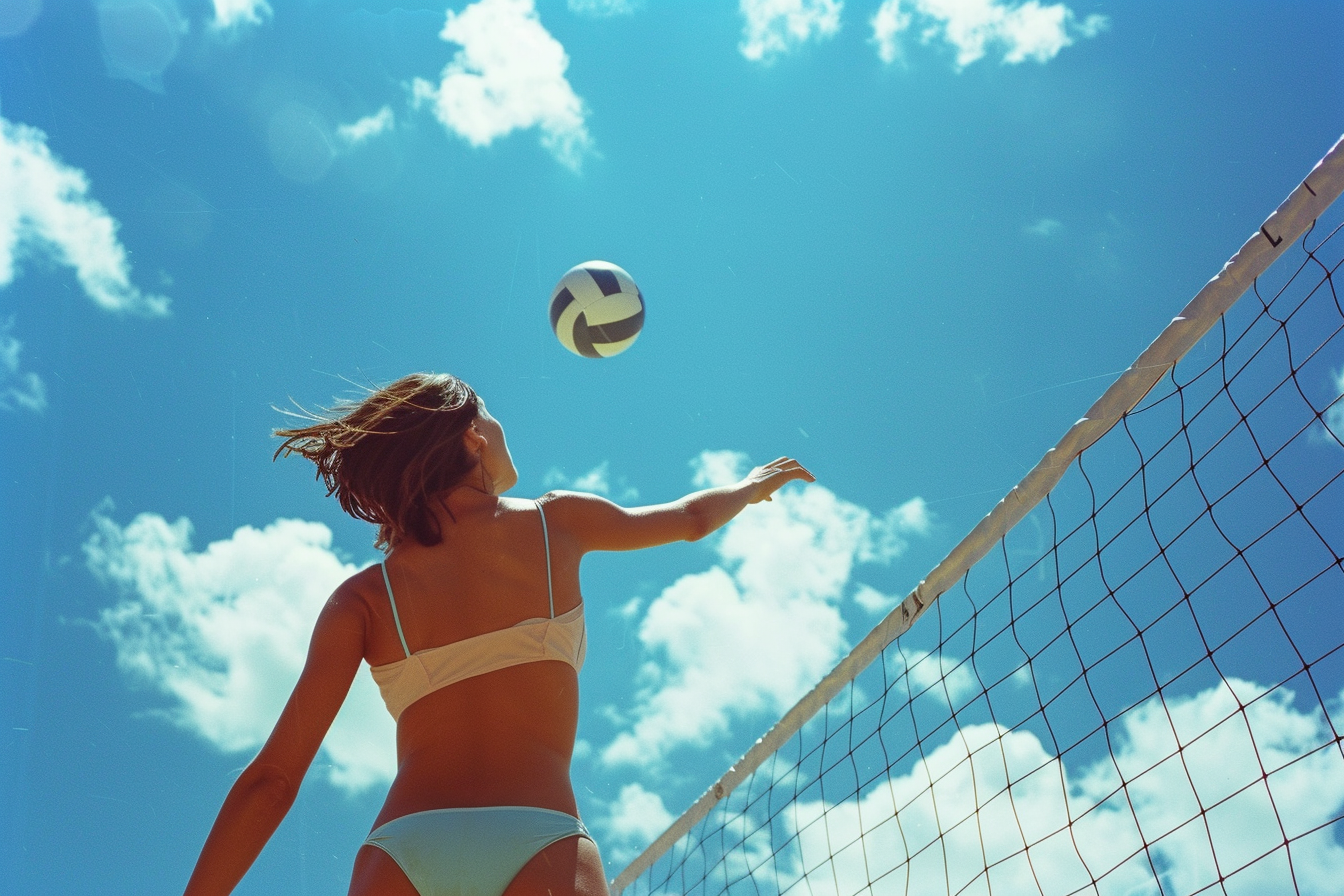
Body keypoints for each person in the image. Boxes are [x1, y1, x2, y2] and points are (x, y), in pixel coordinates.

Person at [180, 372, 814, 896]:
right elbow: (693, 518)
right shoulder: (556, 523)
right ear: (472, 435)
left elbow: (273, 779)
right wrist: (750, 488)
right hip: (540, 838)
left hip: (404, 849)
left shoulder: (362, 599)